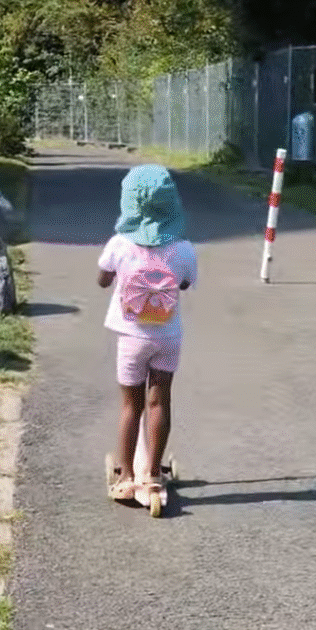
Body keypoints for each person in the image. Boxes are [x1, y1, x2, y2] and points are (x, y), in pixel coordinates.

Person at [97, 164, 198, 502]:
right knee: (159, 401)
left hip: (132, 336)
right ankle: (153, 473)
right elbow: (184, 283)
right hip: (167, 336)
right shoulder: (183, 249)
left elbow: (103, 279)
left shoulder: (119, 245)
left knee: (131, 405)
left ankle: (126, 476)